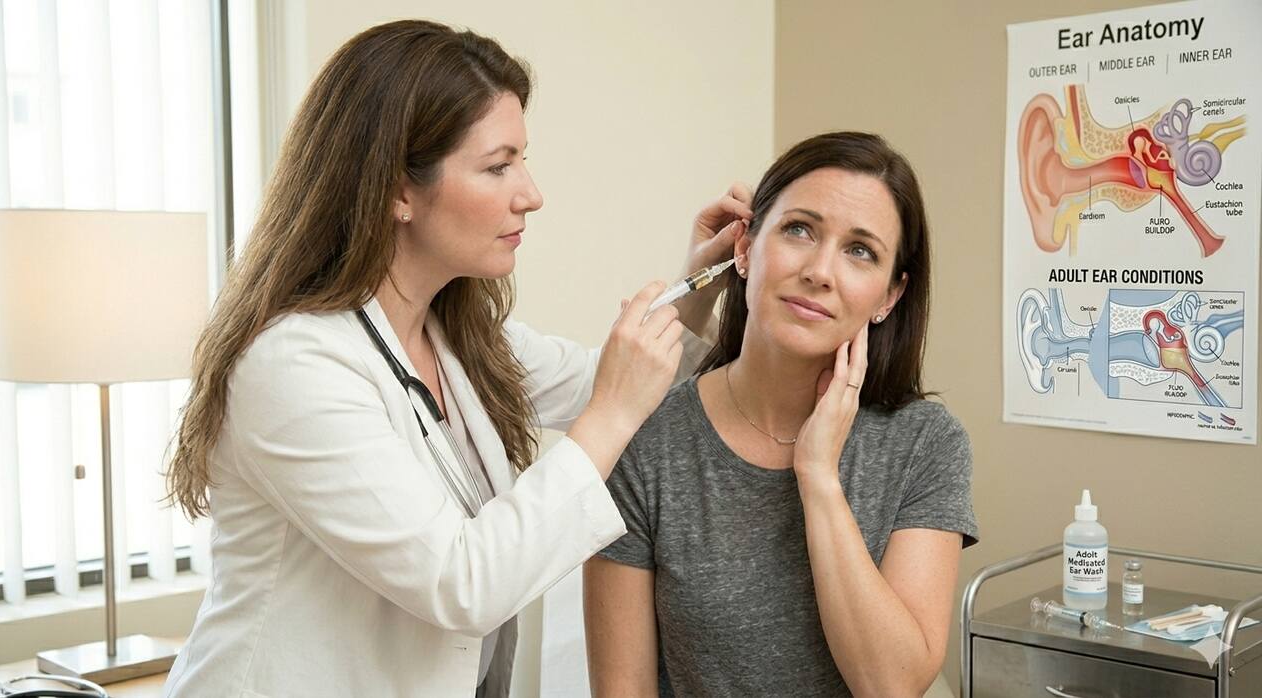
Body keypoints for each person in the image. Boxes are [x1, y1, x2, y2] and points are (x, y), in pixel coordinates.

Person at [161, 20, 749, 697]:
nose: (530, 193)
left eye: (523, 160)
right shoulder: (295, 366)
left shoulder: (455, 336)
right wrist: (613, 407)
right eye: (499, 166)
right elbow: (461, 581)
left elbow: (624, 385)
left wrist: (699, 285)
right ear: (398, 190)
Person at [584, 132, 979, 697]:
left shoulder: (924, 444)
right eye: (800, 230)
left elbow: (892, 686)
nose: (821, 270)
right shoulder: (647, 438)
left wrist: (818, 476)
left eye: (860, 250)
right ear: (744, 249)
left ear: (890, 296)